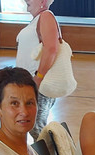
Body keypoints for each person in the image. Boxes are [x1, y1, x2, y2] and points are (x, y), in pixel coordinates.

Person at [16, 0, 66, 140]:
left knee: (37, 128)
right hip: (31, 83)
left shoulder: (46, 16)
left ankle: (53, 154)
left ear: (43, 1)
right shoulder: (38, 19)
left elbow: (51, 49)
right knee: (35, 127)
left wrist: (38, 77)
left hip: (39, 84)